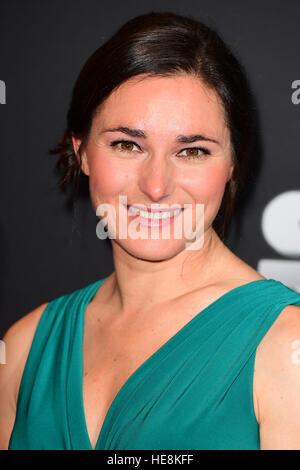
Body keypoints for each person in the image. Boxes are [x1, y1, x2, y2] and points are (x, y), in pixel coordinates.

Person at [1, 11, 300, 451]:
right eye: (127, 145)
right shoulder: (24, 349)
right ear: (81, 151)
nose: (155, 186)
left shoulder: (286, 348)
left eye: (193, 150)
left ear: (233, 163)